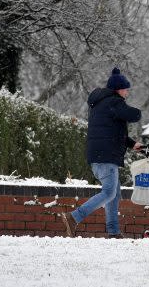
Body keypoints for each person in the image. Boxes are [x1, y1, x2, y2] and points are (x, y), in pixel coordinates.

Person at [61, 67, 142, 239]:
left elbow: (112, 132)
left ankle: (113, 232)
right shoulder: (114, 102)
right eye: (126, 89)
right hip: (106, 156)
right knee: (109, 193)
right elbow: (133, 115)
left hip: (99, 155)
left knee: (114, 193)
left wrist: (133, 144)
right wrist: (137, 111)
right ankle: (74, 217)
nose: (127, 92)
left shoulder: (100, 104)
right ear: (118, 89)